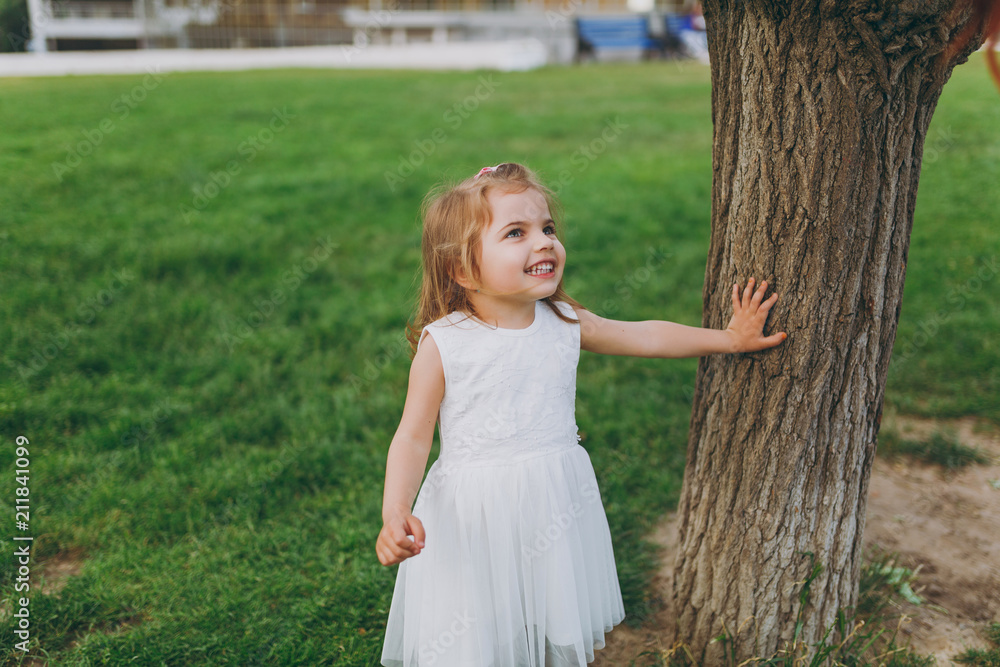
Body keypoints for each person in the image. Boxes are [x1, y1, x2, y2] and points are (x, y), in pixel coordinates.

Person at [376, 162, 786, 667]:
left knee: (548, 610)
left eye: (547, 228)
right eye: (516, 233)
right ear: (463, 270)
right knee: (477, 624)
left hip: (552, 499)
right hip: (474, 512)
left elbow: (645, 335)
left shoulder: (564, 321)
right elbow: (412, 437)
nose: (544, 242)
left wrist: (729, 339)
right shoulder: (447, 343)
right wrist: (395, 510)